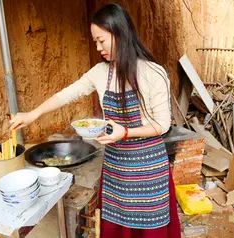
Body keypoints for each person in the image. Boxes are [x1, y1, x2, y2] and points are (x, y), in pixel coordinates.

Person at [10, 3, 181, 238]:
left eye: (102, 40)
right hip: (116, 165)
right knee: (117, 226)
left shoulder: (153, 73)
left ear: (120, 33)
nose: (98, 47)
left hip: (148, 167)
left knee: (149, 228)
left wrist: (125, 133)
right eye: (95, 42)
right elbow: (67, 94)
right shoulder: (100, 73)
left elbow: (162, 125)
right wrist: (33, 114)